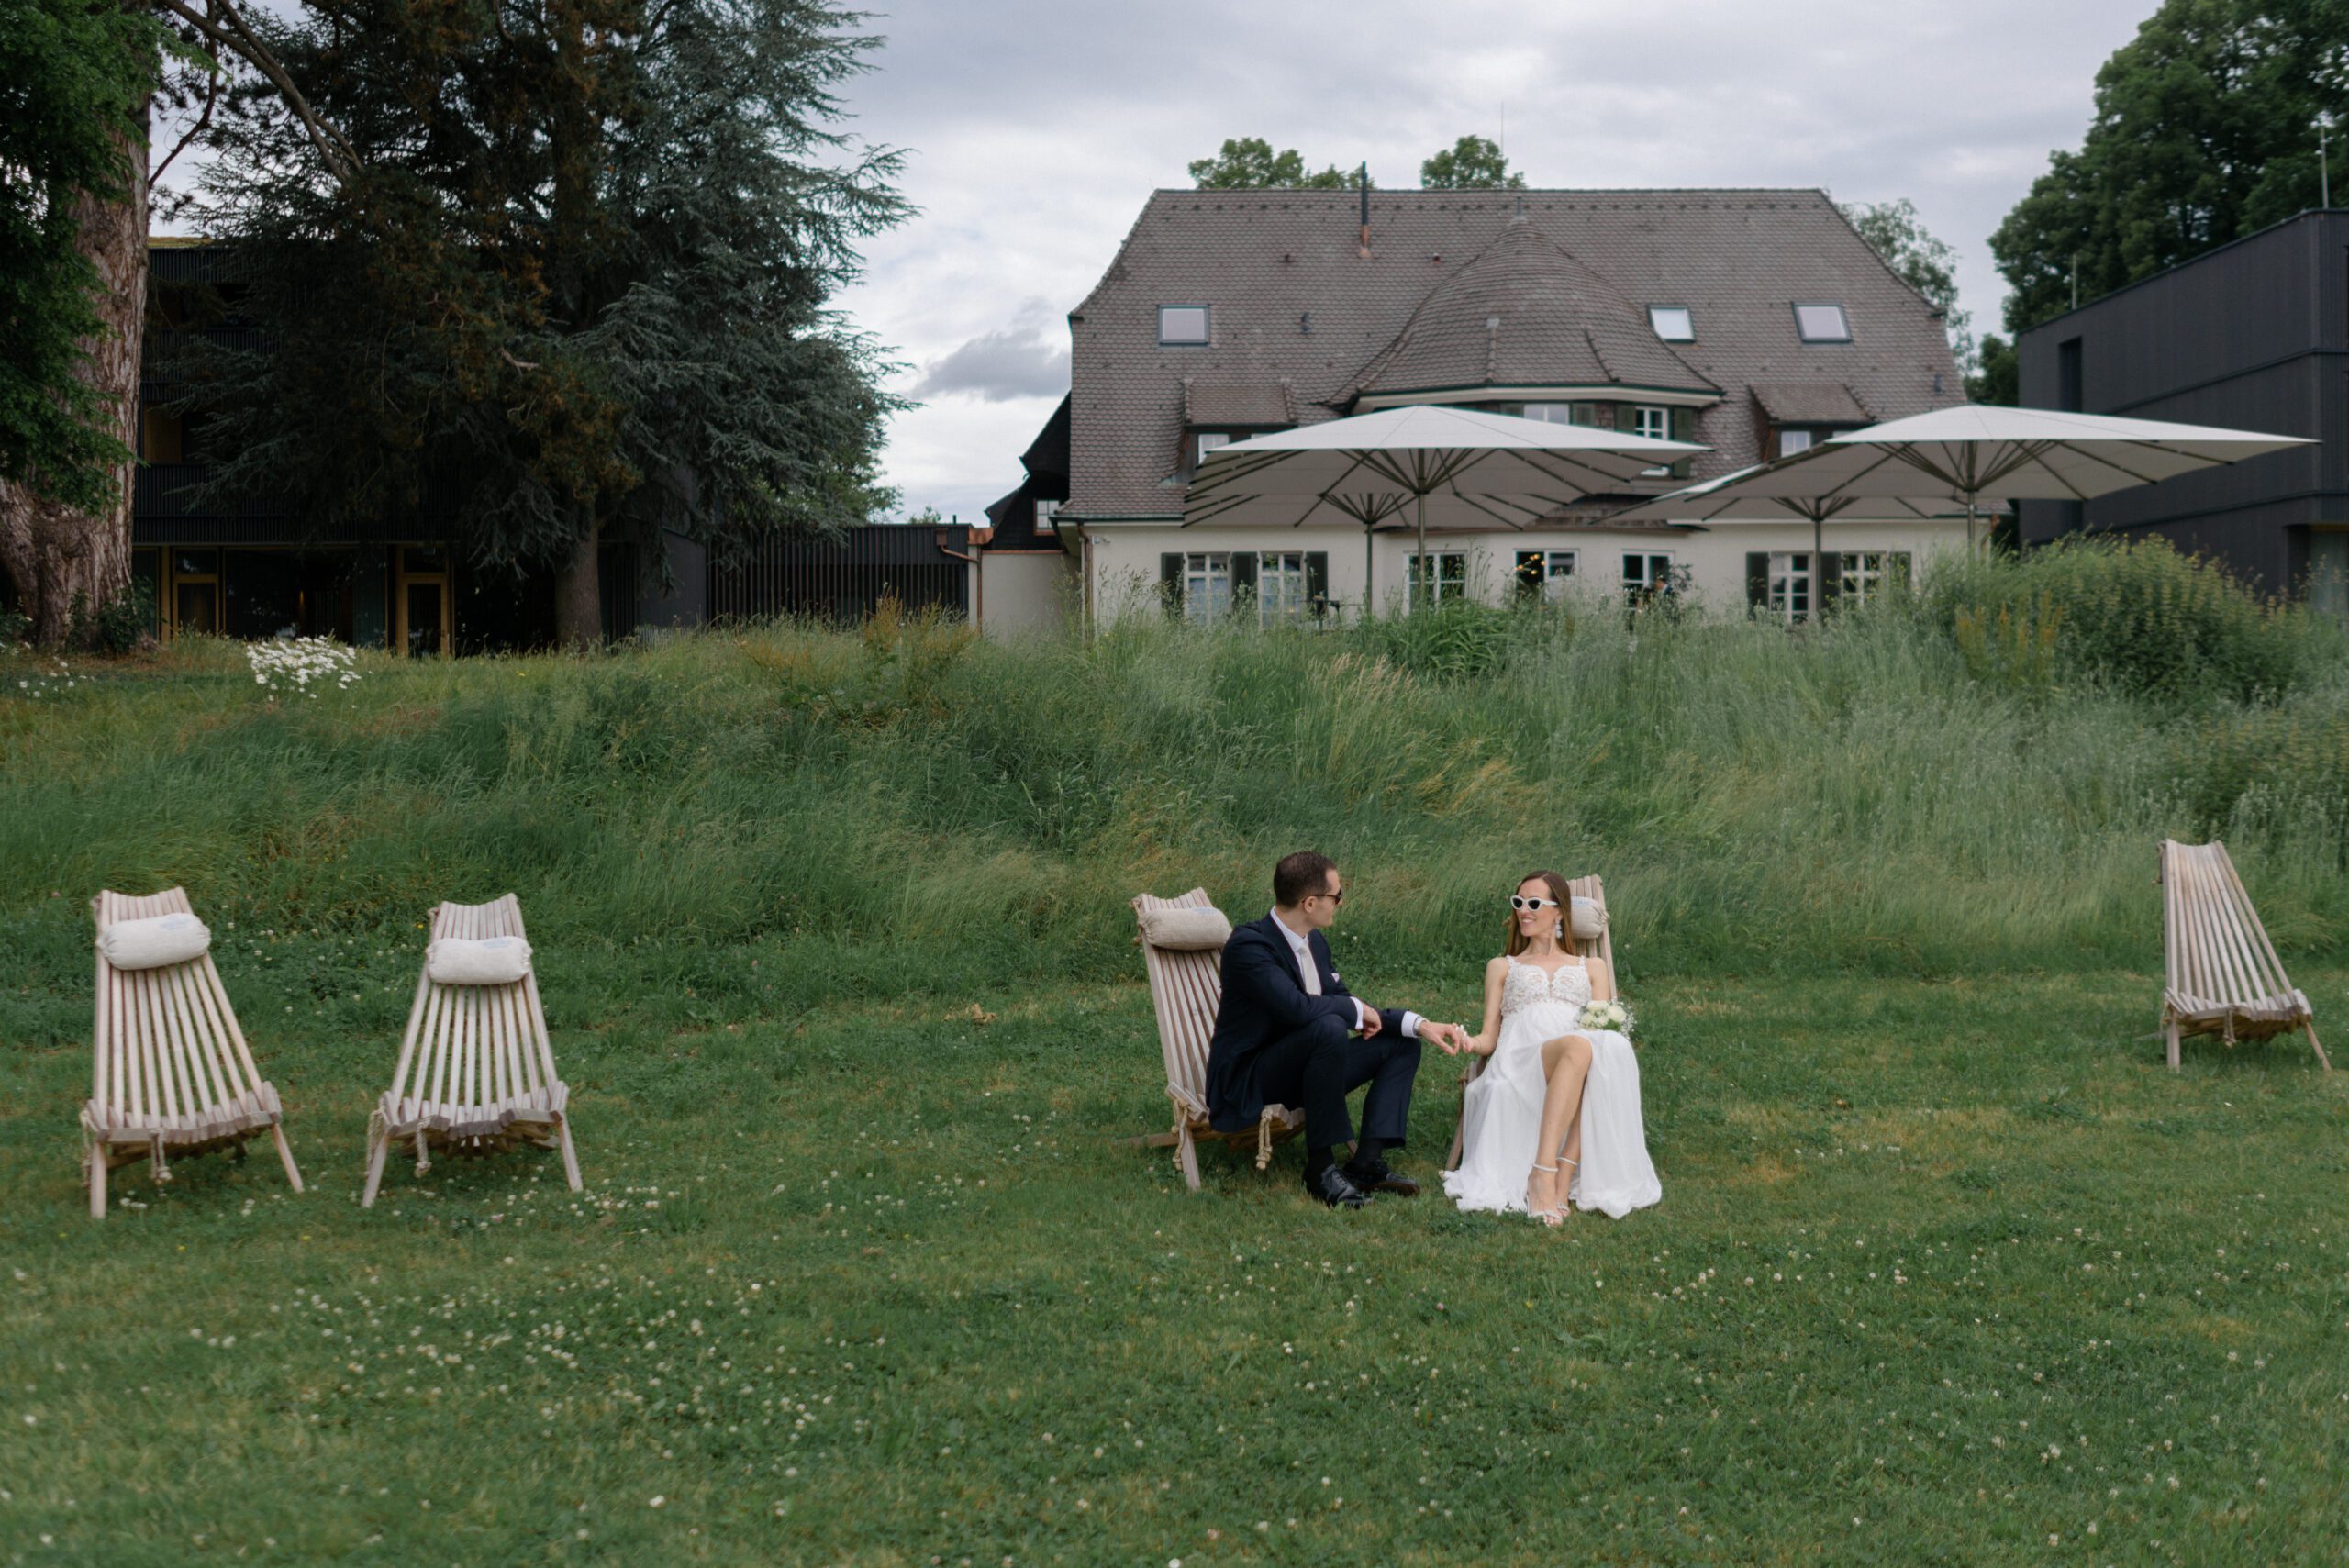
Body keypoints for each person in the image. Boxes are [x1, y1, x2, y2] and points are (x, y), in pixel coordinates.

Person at [1204, 851, 1467, 1208]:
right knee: (1328, 1026)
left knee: (1401, 1043)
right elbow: (1298, 1009)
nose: (1340, 902)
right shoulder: (1250, 946)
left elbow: (1343, 1001)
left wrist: (1417, 1023)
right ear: (1310, 903)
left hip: (1309, 1067)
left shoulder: (1314, 941)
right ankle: (1320, 1169)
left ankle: (1366, 1163)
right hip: (1251, 1081)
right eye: (1337, 895)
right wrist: (1351, 1010)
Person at [1437, 871, 1661, 1223]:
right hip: (1520, 1061)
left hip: (1574, 1060)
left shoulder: (1593, 967)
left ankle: (1557, 1175)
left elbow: (1601, 1026)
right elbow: (1489, 1037)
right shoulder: (1502, 966)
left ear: (1559, 911)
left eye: (1534, 903)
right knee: (1582, 1047)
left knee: (1601, 1048)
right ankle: (1545, 1173)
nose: (1523, 911)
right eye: (1518, 902)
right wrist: (1468, 1041)